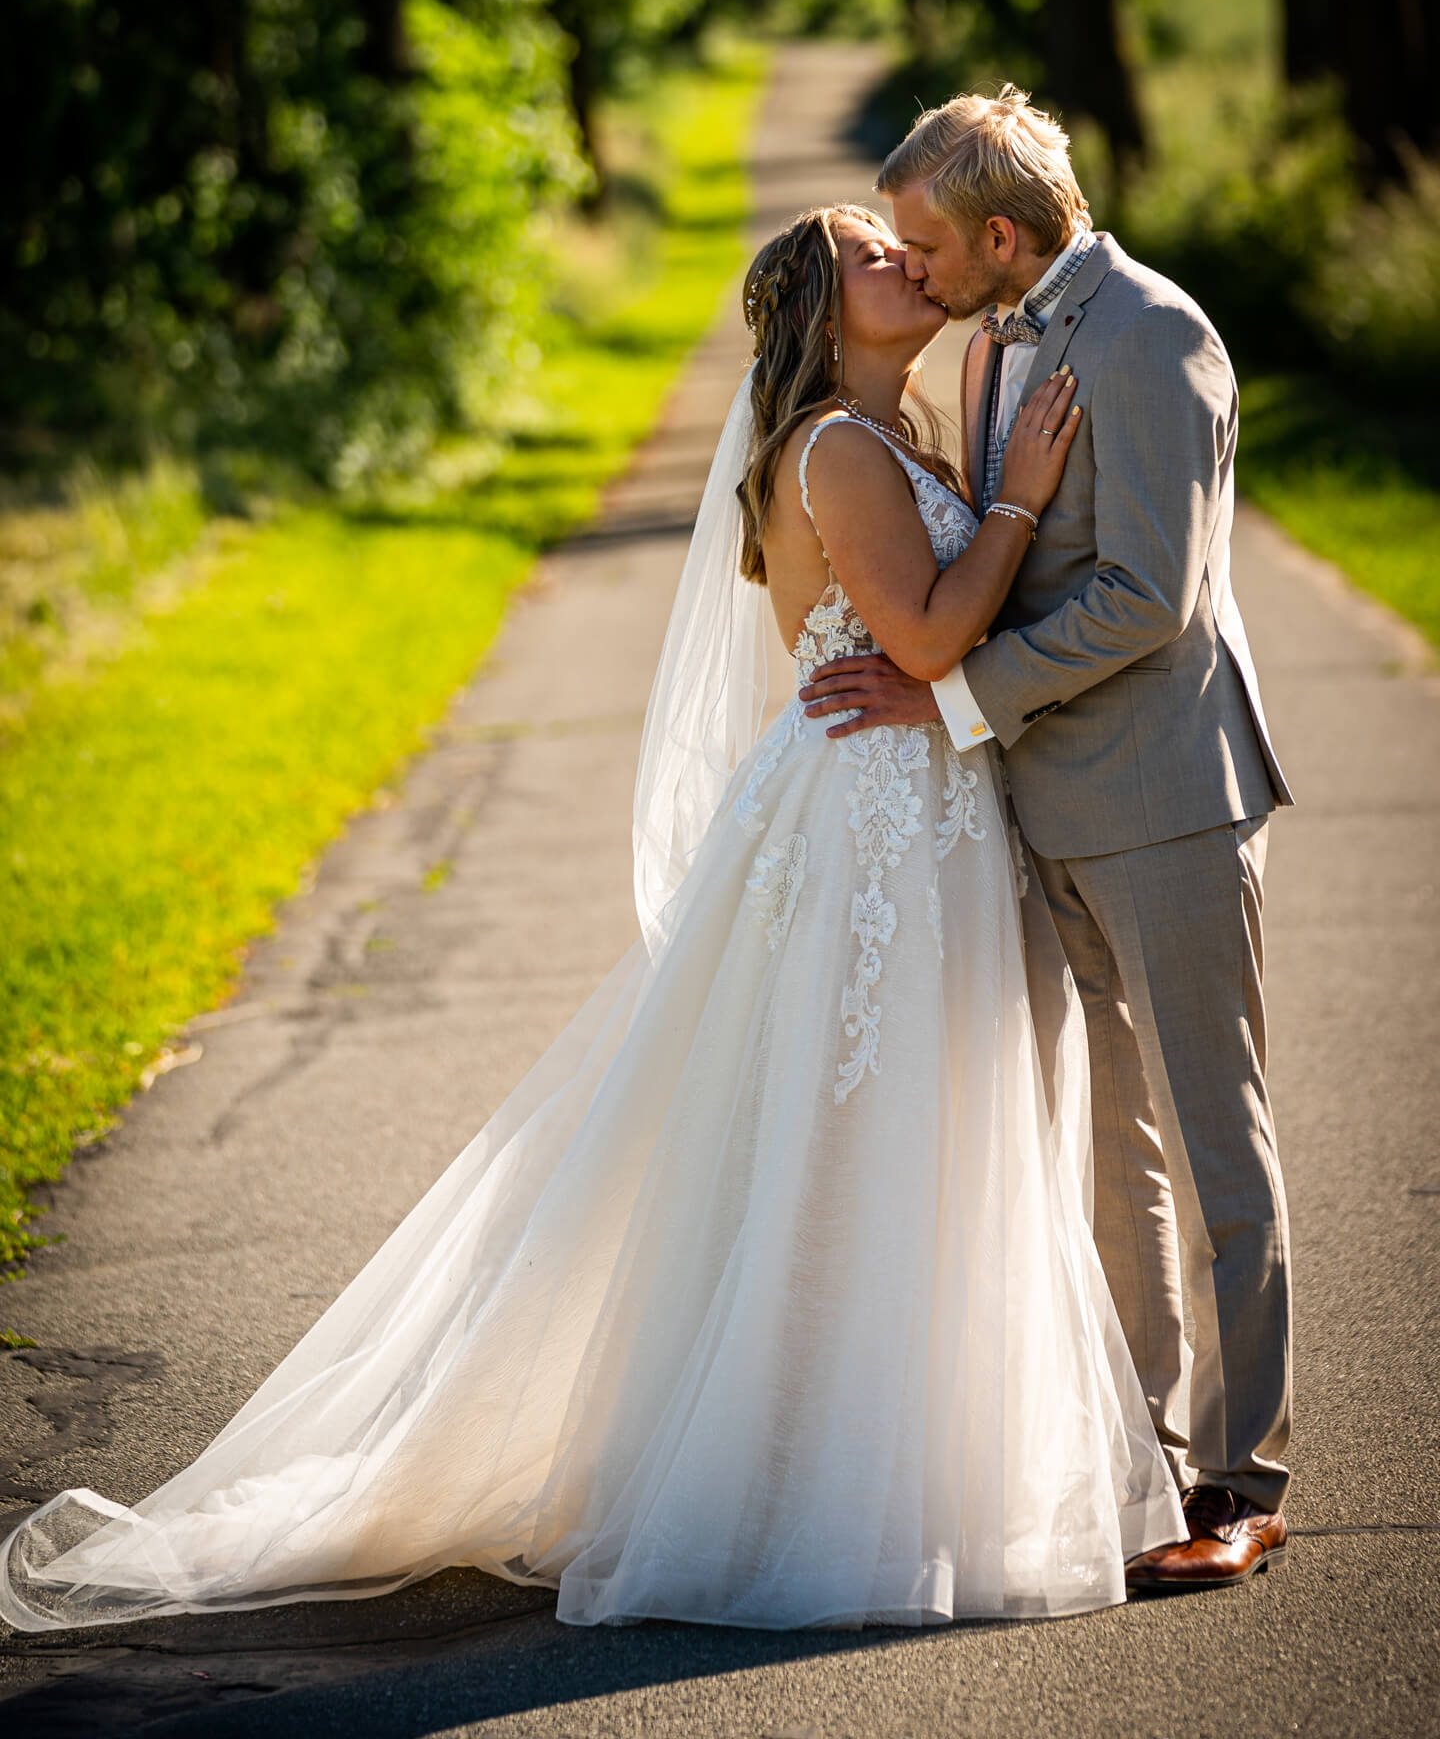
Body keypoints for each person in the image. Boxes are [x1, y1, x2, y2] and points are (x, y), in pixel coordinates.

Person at [0, 204, 1183, 1637]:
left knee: (905, 1139)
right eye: (874, 258)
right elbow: (930, 639)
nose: (907, 263)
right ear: (826, 315)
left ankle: (901, 1464)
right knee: (850, 1140)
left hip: (917, 816)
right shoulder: (837, 449)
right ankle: (799, 1486)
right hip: (866, 829)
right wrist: (1019, 506)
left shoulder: (904, 442)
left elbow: (936, 642)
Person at [801, 90, 1294, 1592]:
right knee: (1114, 1150)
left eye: (929, 246)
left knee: (1214, 1147)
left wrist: (952, 698)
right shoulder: (991, 344)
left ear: (1004, 236)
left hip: (1164, 800)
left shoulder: (1150, 334)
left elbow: (1151, 595)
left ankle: (1244, 1482)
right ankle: (1144, 1462)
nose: (913, 266)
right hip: (1040, 807)